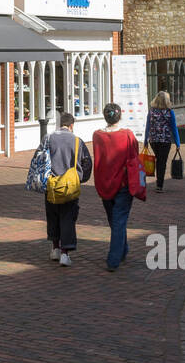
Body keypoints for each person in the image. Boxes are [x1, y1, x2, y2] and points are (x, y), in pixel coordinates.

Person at [92, 103, 147, 272]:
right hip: (124, 183)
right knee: (118, 220)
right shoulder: (128, 135)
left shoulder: (97, 136)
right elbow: (134, 156)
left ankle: (121, 251)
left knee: (114, 220)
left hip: (104, 183)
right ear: (120, 116)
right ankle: (114, 258)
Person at [44, 112, 92, 267]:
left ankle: (55, 249)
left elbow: (40, 160)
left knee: (53, 216)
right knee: (67, 218)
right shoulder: (78, 141)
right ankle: (65, 254)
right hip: (70, 187)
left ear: (59, 124)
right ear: (71, 125)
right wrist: (81, 179)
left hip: (52, 186)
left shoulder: (48, 139)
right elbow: (87, 163)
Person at [144, 91, 180, 192]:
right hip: (165, 140)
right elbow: (174, 128)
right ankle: (159, 185)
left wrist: (145, 141)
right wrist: (177, 143)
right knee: (162, 161)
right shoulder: (169, 112)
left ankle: (158, 182)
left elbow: (148, 127)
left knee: (158, 159)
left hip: (153, 140)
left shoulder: (151, 112)